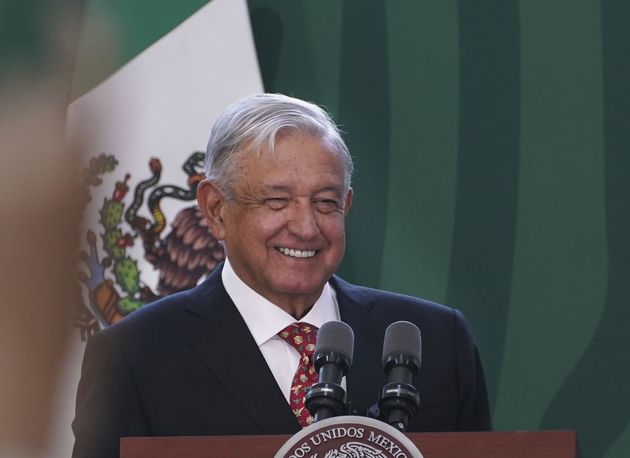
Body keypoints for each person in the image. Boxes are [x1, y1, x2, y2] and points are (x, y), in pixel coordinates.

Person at [72, 93, 491, 458]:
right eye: (277, 201)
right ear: (216, 209)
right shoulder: (134, 357)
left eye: (326, 202)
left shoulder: (436, 341)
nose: (306, 227)